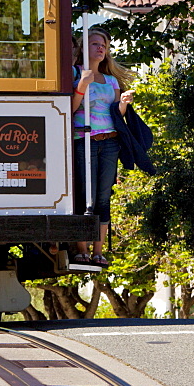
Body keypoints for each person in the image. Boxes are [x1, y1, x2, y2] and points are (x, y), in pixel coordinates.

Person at [72, 26, 135, 268]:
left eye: (104, 46)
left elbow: (115, 114)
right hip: (83, 139)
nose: (101, 48)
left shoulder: (111, 80)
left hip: (109, 141)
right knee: (84, 193)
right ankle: (82, 249)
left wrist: (124, 105)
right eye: (96, 44)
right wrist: (82, 85)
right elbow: (71, 106)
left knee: (103, 197)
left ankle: (98, 251)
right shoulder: (74, 72)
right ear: (84, 48)